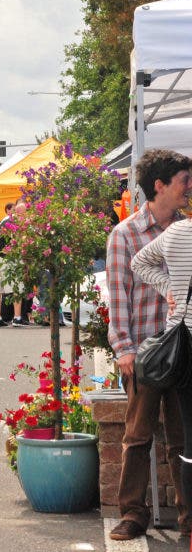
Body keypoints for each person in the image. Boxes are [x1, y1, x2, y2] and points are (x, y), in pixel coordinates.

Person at [106, 149, 192, 542]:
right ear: (160, 186)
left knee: (182, 439)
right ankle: (133, 514)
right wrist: (123, 348)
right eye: (183, 181)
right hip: (143, 351)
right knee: (137, 438)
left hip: (184, 349)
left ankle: (188, 515)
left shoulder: (186, 228)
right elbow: (118, 295)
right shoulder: (125, 234)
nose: (188, 188)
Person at [131, 191, 192, 539]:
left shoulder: (175, 233)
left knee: (188, 438)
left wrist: (171, 289)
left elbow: (139, 262)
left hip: (181, 343)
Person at [0, 202, 27, 328]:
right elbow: (19, 242)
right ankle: (17, 318)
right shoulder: (15, 223)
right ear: (20, 212)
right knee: (17, 288)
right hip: (9, 258)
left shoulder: (3, 221)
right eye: (25, 212)